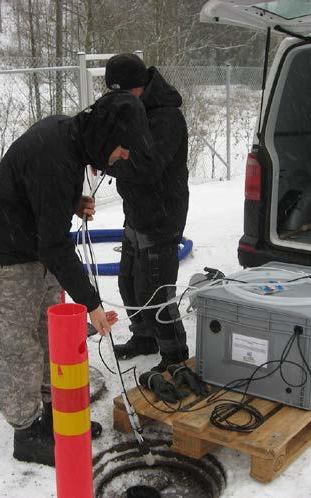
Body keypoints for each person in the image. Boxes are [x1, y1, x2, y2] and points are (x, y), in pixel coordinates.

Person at [0, 90, 160, 467]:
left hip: (34, 252)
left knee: (46, 336)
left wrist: (72, 201)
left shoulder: (72, 138)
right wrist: (91, 305)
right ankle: (26, 434)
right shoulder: (53, 154)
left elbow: (45, 198)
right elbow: (56, 244)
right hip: (4, 258)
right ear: (107, 136)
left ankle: (55, 418)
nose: (122, 157)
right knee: (18, 346)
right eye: (123, 149)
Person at [103, 54, 190, 372]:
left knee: (154, 291)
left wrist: (113, 158)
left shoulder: (166, 118)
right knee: (128, 281)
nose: (118, 101)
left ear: (139, 87)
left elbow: (148, 167)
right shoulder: (132, 109)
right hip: (136, 210)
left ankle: (175, 354)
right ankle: (145, 337)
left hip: (161, 215)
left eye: (123, 93)